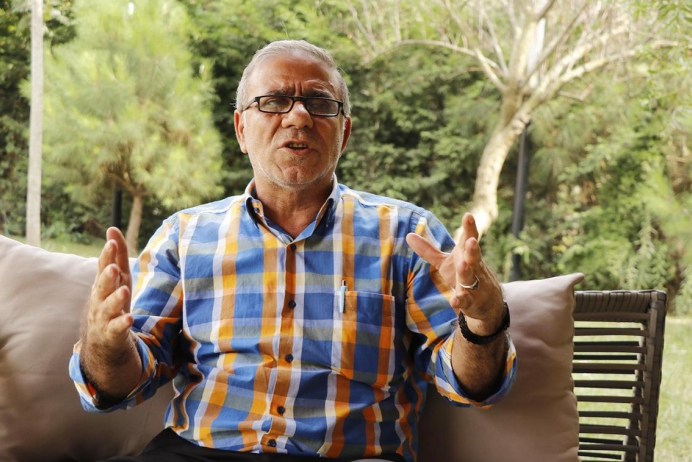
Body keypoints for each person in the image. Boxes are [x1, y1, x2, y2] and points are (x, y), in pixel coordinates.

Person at [69, 40, 517, 462]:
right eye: (274, 101)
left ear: (344, 133)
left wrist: (483, 321)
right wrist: (104, 342)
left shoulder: (407, 235)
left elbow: (470, 385)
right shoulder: (183, 237)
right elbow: (120, 386)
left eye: (320, 103)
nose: (299, 116)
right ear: (241, 129)